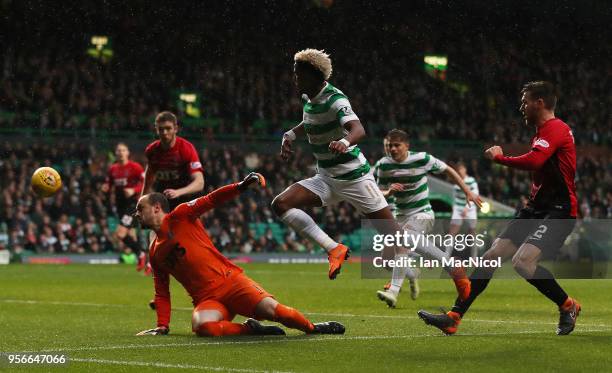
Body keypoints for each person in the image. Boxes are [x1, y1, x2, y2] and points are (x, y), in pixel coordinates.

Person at [272, 49, 475, 305]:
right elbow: (310, 122)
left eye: (298, 73)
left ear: (315, 75)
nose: (294, 78)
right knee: (281, 203)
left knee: (398, 238)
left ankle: (457, 273)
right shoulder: (308, 98)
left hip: (355, 179)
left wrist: (345, 141)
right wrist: (290, 134)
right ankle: (334, 248)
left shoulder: (335, 99)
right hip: (326, 177)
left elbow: (358, 129)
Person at [418, 81, 581, 335]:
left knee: (523, 263)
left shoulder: (556, 128)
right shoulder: (541, 133)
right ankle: (454, 317)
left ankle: (568, 305)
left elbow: (536, 160)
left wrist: (500, 158)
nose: (522, 106)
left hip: (558, 211)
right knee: (490, 257)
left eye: (525, 101)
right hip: (535, 209)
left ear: (540, 102)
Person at [134, 173, 345, 337]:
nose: (136, 214)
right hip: (207, 299)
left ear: (156, 207)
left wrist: (240, 187)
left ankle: (313, 328)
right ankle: (251, 330)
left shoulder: (181, 215)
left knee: (278, 313)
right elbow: (162, 291)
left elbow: (211, 199)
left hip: (231, 282)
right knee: (204, 327)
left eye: (139, 209)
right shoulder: (155, 252)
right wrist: (162, 325)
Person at [373, 129, 482, 306]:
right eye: (388, 145)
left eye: (396, 145)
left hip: (422, 212)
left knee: (403, 238)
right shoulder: (382, 166)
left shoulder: (422, 158)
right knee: (386, 260)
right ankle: (413, 273)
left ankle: (393, 291)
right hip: (399, 215)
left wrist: (467, 191)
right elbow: (378, 193)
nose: (392, 149)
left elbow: (448, 170)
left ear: (406, 146)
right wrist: (389, 191)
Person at [141, 111, 205, 210]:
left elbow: (200, 183)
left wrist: (178, 192)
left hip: (186, 199)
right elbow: (149, 177)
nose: (164, 133)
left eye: (168, 128)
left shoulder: (186, 148)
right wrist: (142, 200)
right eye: (161, 129)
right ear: (156, 130)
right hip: (164, 198)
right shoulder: (151, 150)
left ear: (176, 129)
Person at [101, 143, 146, 270]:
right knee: (131, 234)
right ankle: (146, 263)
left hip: (132, 204)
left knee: (120, 234)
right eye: (118, 150)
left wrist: (133, 190)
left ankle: (141, 253)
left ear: (128, 153)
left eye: (123, 150)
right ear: (115, 153)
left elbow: (144, 182)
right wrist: (106, 187)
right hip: (120, 205)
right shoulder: (113, 169)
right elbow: (108, 182)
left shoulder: (135, 167)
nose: (121, 152)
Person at [447, 162, 480, 259]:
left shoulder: (471, 181)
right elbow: (454, 198)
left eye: (462, 169)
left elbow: (475, 195)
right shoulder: (456, 182)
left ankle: (474, 258)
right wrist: (456, 209)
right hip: (458, 210)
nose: (460, 171)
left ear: (465, 170)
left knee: (472, 233)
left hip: (470, 209)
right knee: (452, 232)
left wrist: (466, 208)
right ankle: (446, 256)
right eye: (459, 170)